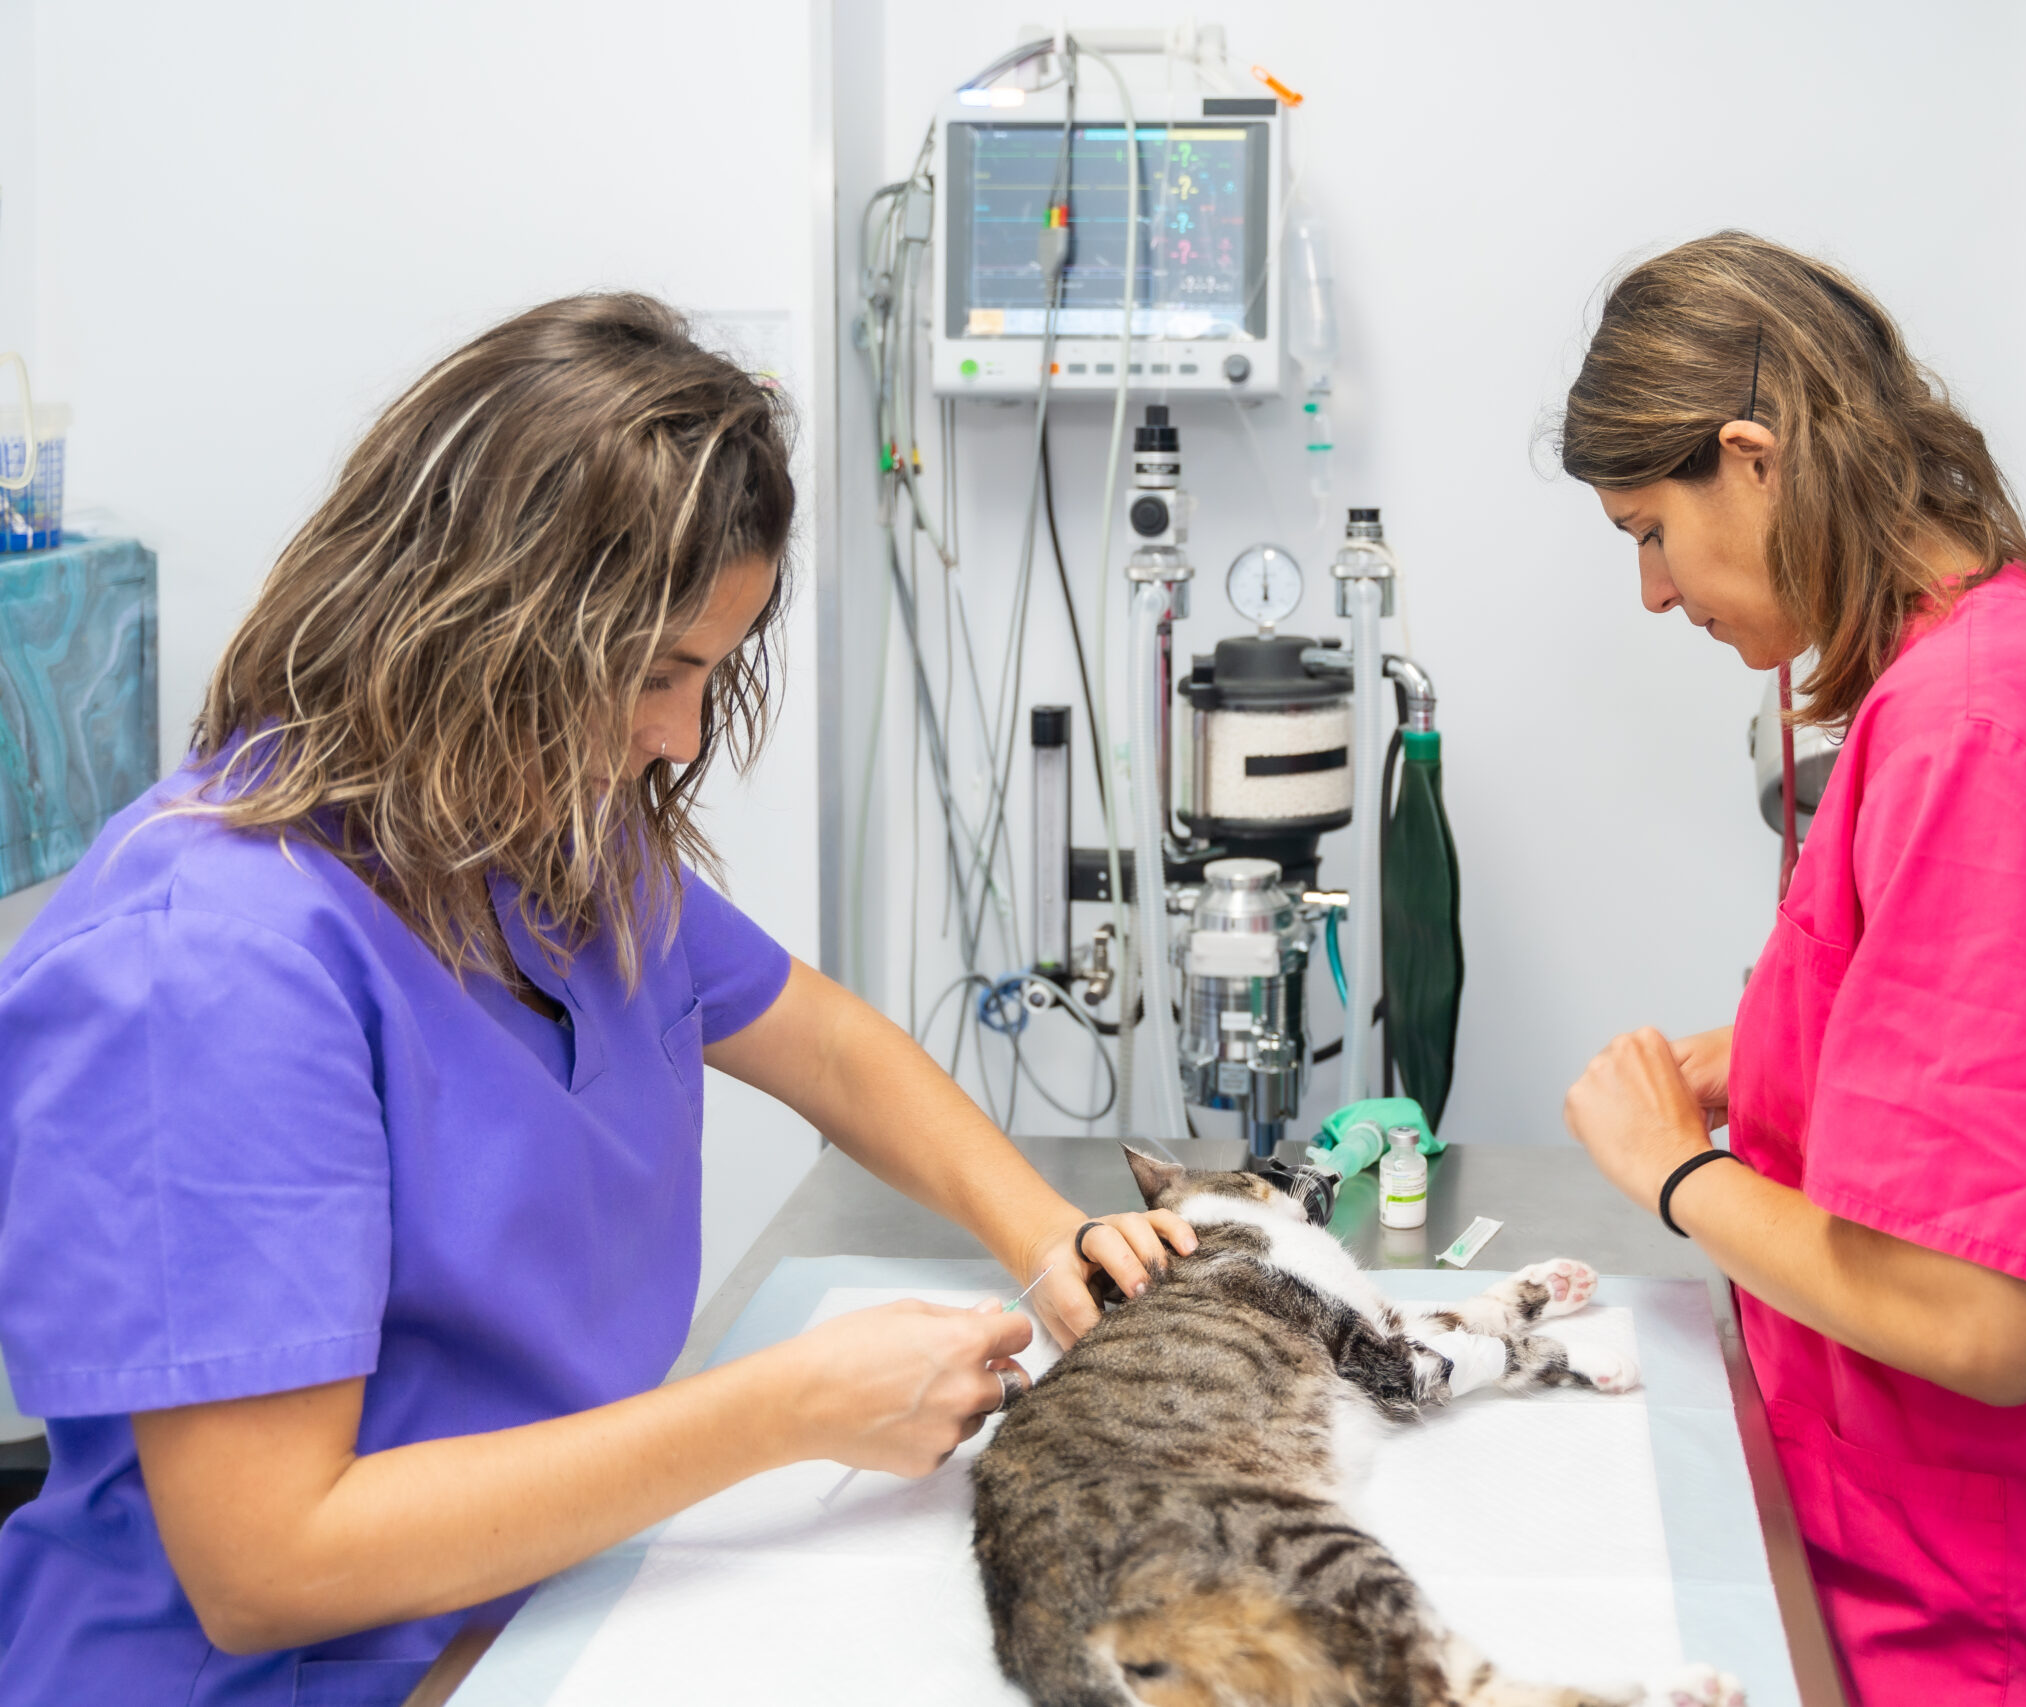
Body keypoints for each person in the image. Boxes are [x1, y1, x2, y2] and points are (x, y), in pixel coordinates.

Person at [0, 295, 1194, 1707]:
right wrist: (782, 1411)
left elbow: (821, 1040)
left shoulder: (528, 835)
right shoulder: (205, 969)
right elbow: (270, 1566)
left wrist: (1046, 1234)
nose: (680, 739)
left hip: (544, 1603)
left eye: (711, 673)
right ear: (478, 625)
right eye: (652, 673)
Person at [1555, 234, 2026, 1706]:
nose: (1651, 591)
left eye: (1649, 529)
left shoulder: (1981, 736)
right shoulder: (1977, 673)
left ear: (1753, 460)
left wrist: (1671, 1174)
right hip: (1961, 1581)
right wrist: (1759, 1051)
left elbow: (1983, 1320)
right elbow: (1976, 1055)